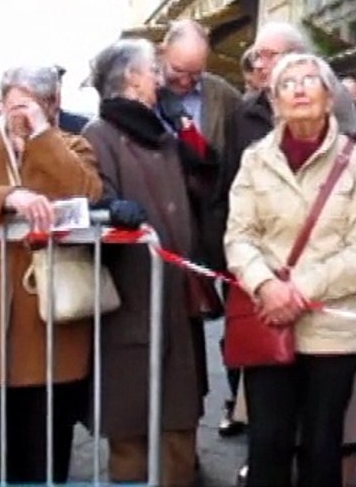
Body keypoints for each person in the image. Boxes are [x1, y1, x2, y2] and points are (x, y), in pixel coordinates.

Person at [224, 52, 356, 487]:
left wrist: (296, 290)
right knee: (268, 442)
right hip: (268, 318)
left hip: (332, 326)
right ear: (274, 103)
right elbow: (238, 237)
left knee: (322, 445)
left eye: (308, 80)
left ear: (329, 96)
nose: (297, 88)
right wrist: (264, 285)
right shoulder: (255, 159)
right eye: (286, 83)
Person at [0, 66, 103, 484]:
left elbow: (87, 190)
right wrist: (9, 196)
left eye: (29, 105)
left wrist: (41, 136)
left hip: (53, 304)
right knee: (2, 421)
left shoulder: (72, 144)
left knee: (50, 425)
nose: (17, 114)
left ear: (51, 106)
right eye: (12, 104)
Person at [82, 38, 218, 486]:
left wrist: (182, 123)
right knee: (131, 429)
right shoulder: (97, 136)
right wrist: (109, 208)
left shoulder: (162, 128)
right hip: (132, 301)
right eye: (152, 71)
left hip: (176, 297)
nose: (160, 79)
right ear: (131, 78)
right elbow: (91, 199)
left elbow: (205, 175)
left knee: (178, 422)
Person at [157, 18, 242, 153]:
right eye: (177, 70)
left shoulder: (223, 94)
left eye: (195, 73)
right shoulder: (139, 88)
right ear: (162, 53)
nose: (184, 81)